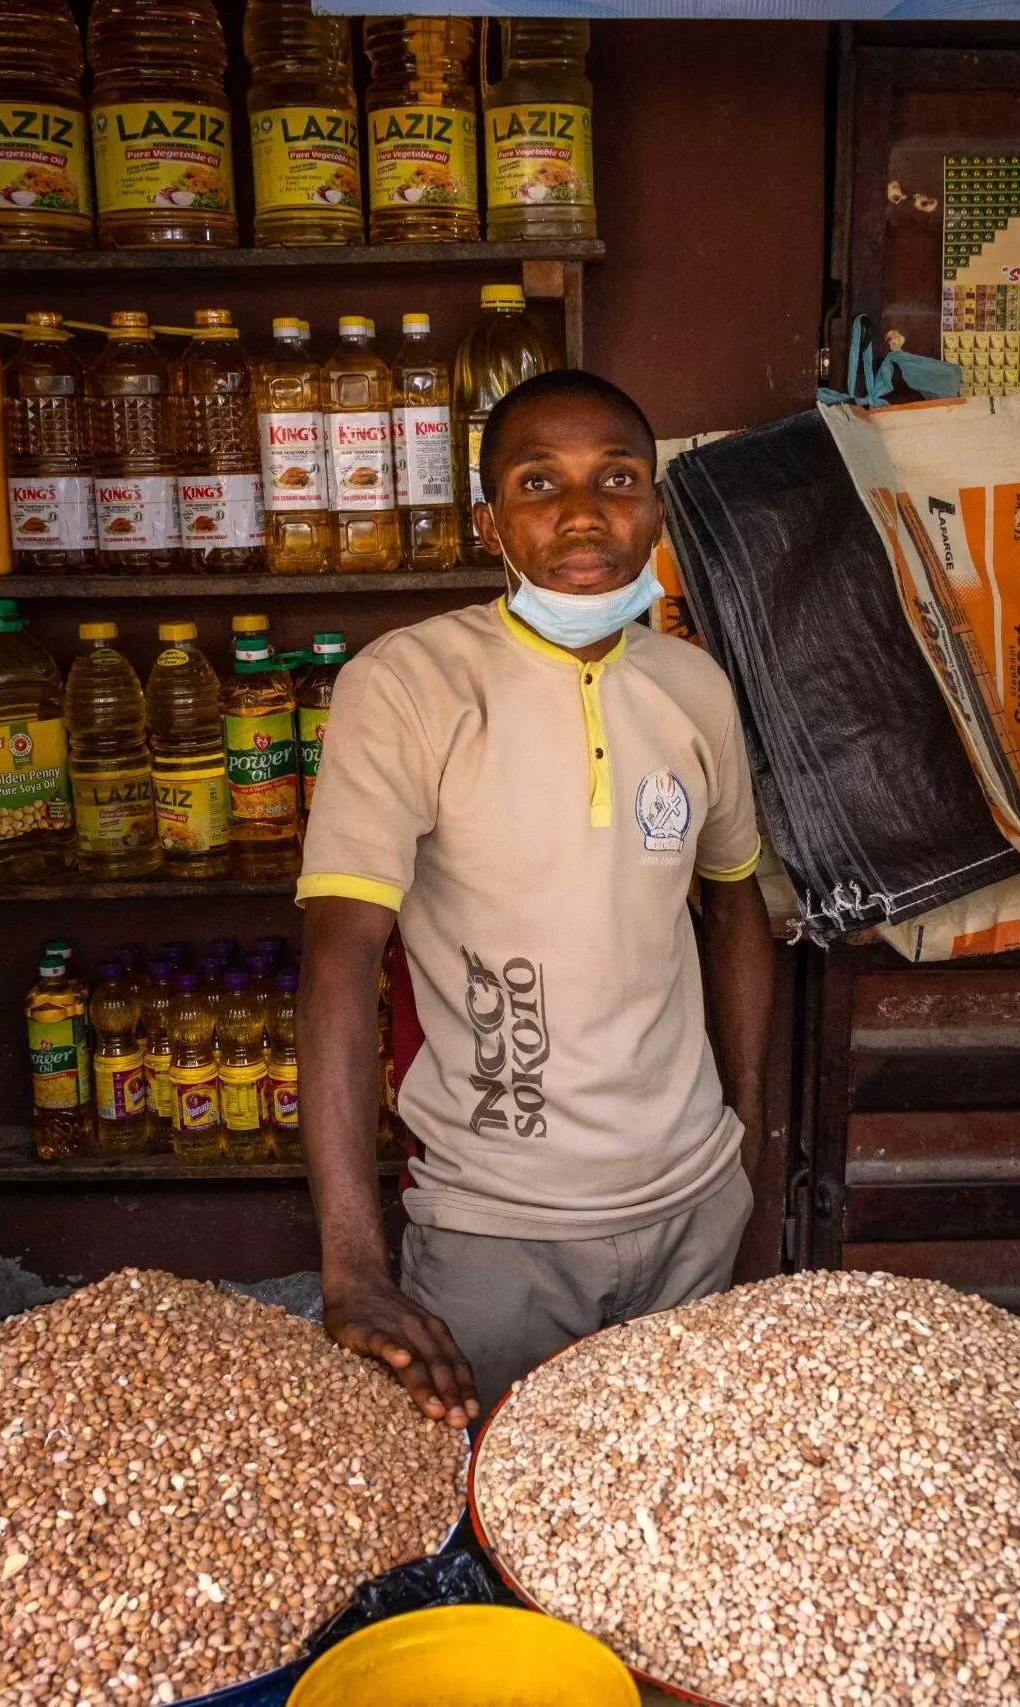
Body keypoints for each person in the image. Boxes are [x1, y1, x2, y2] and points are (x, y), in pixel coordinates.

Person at [297, 369, 774, 1426]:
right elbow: (336, 963)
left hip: (693, 1207)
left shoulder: (694, 687)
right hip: (495, 1229)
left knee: (674, 1514)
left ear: (655, 509)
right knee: (490, 1524)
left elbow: (738, 906)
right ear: (489, 521)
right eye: (536, 482)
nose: (581, 513)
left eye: (617, 479)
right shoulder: (410, 684)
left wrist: (751, 1146)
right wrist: (352, 1267)